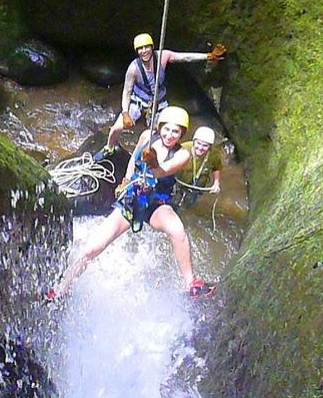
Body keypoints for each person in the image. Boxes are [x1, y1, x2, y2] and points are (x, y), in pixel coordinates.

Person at [48, 106, 214, 299]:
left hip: (156, 202)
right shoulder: (146, 136)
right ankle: (60, 289)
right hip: (132, 198)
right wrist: (126, 180)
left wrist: (153, 163)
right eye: (166, 129)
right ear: (159, 127)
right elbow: (133, 159)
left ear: (182, 134)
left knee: (177, 230)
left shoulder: (183, 154)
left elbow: (163, 171)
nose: (170, 135)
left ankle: (191, 283)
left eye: (175, 131)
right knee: (92, 248)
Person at [93, 33, 226, 161]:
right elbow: (127, 92)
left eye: (146, 47)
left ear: (152, 47)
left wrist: (208, 56)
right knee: (116, 128)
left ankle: (153, 157)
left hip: (159, 103)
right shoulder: (134, 68)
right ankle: (109, 148)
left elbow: (184, 57)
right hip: (139, 102)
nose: (144, 51)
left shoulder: (163, 56)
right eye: (140, 49)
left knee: (159, 133)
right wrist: (125, 112)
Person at [173, 126, 224, 209]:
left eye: (205, 145)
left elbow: (216, 168)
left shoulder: (214, 155)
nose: (200, 148)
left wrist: (216, 183)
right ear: (194, 142)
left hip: (198, 184)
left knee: (189, 204)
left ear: (210, 147)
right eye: (198, 143)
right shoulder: (183, 148)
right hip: (179, 181)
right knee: (173, 201)